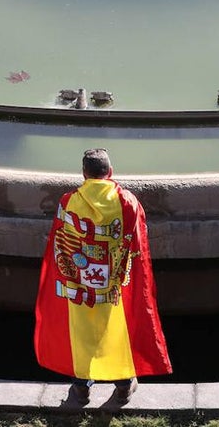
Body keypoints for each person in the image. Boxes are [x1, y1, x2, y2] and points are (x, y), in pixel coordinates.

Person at [34, 148, 171, 407]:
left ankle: (82, 389)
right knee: (117, 334)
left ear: (84, 173)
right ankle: (122, 387)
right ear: (110, 172)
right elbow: (137, 246)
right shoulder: (127, 201)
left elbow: (59, 246)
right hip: (114, 287)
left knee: (82, 336)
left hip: (78, 287)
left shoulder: (68, 201)